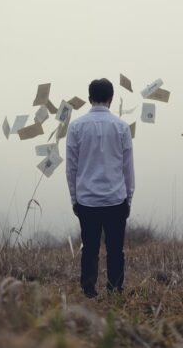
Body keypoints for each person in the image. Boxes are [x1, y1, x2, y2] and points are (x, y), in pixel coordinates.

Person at [66, 78, 135, 298]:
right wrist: (129, 198)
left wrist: (74, 199)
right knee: (116, 250)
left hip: (87, 200)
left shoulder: (75, 127)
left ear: (89, 99)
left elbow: (71, 168)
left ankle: (89, 291)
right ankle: (115, 290)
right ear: (111, 99)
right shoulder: (122, 127)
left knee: (90, 249)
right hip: (116, 198)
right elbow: (127, 168)